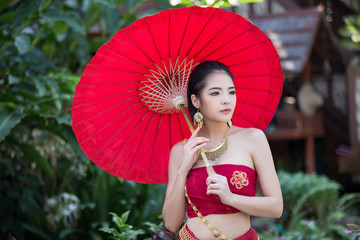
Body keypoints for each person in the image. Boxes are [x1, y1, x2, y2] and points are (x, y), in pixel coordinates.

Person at [162, 61, 283, 240]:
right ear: (196, 100)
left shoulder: (252, 138)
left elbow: (276, 207)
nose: (226, 99)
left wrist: (231, 198)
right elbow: (171, 223)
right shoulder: (181, 151)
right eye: (215, 93)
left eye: (231, 92)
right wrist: (183, 170)